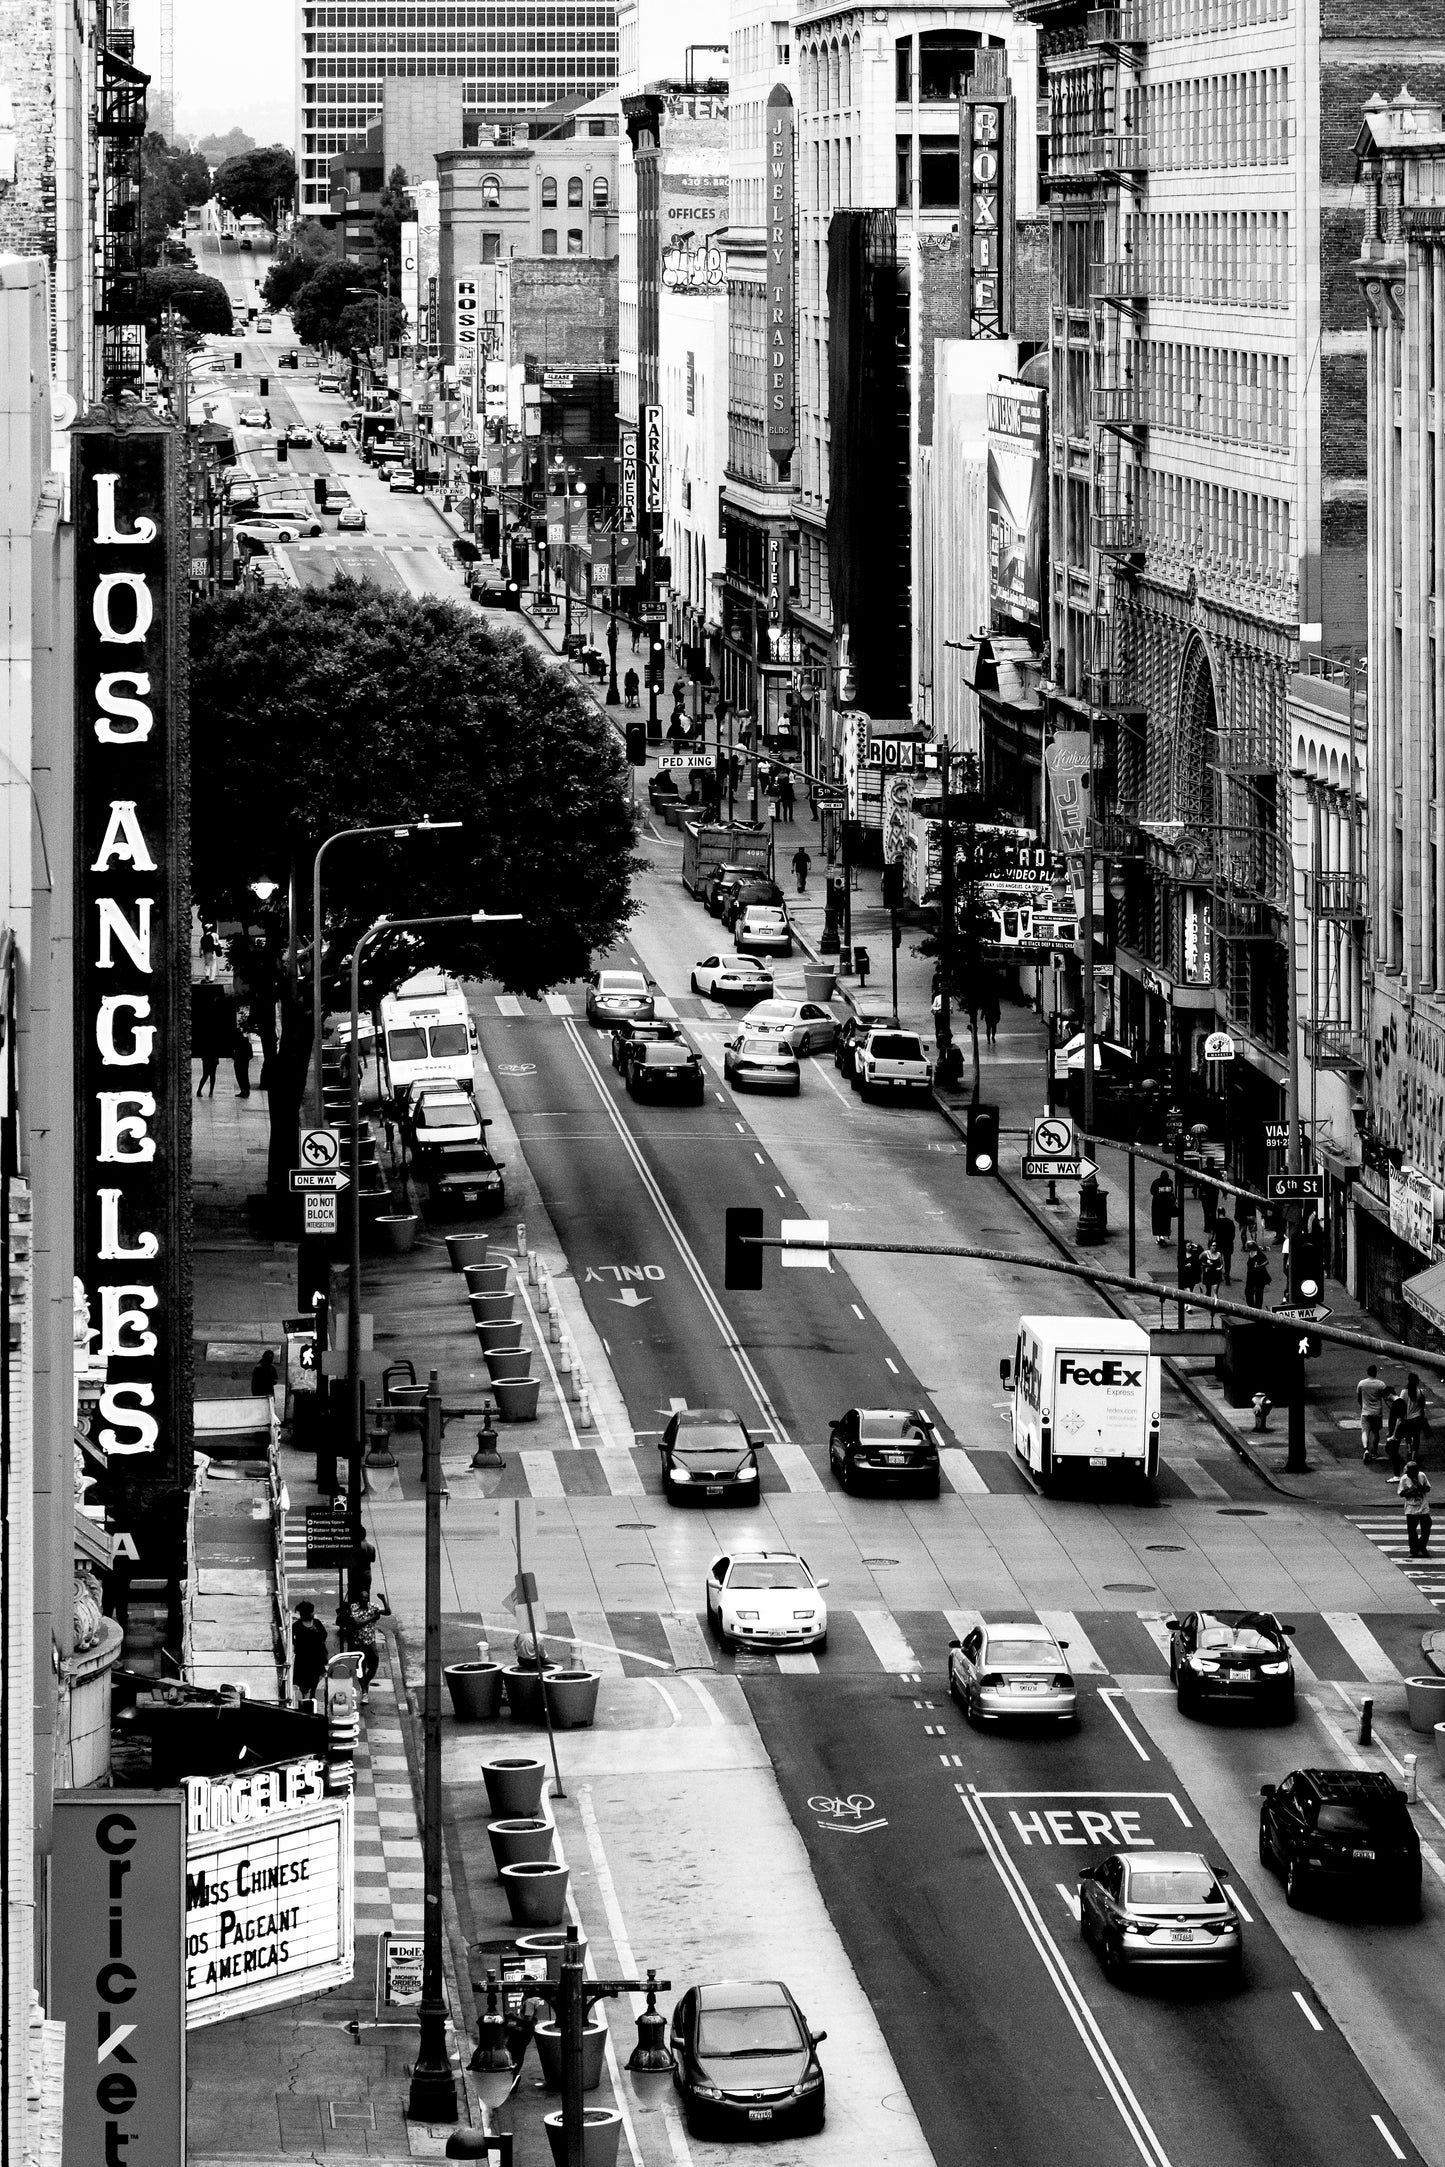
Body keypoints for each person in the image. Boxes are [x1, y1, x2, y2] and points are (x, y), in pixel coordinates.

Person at [343, 1586, 391, 1701]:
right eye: (362, 1598)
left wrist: (384, 1600)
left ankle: (366, 1682)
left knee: (374, 1662)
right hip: (358, 1643)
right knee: (361, 1666)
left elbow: (388, 1612)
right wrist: (373, 1617)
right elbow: (358, 1623)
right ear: (359, 1599)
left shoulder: (372, 1607)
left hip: (370, 1641)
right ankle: (364, 1691)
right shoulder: (354, 1607)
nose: (364, 1600)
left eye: (366, 1598)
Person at [292, 1600, 329, 1704]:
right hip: (303, 1658)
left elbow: (324, 1635)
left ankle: (312, 1694)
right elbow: (292, 1641)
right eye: (312, 1612)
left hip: (317, 1657)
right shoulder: (296, 1626)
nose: (314, 1613)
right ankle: (305, 1696)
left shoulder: (317, 1623)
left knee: (315, 1678)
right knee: (303, 1680)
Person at [1357, 1362, 1391, 1465]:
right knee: (1376, 1433)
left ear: (1368, 1372)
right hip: (1377, 1412)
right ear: (1376, 1373)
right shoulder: (1381, 1384)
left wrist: (1361, 1406)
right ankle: (1374, 1452)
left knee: (1365, 1432)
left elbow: (1358, 1397)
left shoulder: (1361, 1384)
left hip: (1365, 1412)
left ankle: (1366, 1449)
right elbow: (1386, 1397)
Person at [1400, 1457, 1433, 1556]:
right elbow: (1401, 1493)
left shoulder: (1422, 1476)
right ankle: (1413, 1549)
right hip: (1411, 1507)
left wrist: (1419, 1487)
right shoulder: (1404, 1479)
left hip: (1423, 1506)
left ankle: (1422, 1546)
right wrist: (1411, 1490)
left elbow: (1427, 1487)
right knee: (1412, 1530)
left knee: (1426, 1527)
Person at [1398, 1372, 1430, 1468]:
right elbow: (1422, 1406)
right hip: (1418, 1417)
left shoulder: (1404, 1392)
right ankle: (1414, 1454)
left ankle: (1408, 1449)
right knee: (1416, 1437)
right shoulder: (1420, 1392)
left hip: (1408, 1418)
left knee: (1408, 1435)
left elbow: (1400, 1403)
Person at [1149, 1169, 1176, 1247]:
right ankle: (1164, 1235)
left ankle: (1158, 1236)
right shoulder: (1169, 1182)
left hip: (1157, 1205)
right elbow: (1171, 1192)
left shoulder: (1156, 1182)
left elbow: (1152, 1191)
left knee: (1157, 1221)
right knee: (1165, 1221)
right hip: (1167, 1205)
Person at [1243, 1242, 1270, 1310]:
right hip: (1250, 1276)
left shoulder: (1259, 1254)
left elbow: (1266, 1261)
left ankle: (1258, 1309)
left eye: (1248, 1247)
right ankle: (1252, 1307)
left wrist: (1259, 1266)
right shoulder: (1250, 1253)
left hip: (1259, 1277)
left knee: (1259, 1294)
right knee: (1248, 1292)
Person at [233, 1011, 253, 1098]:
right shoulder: (243, 1042)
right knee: (243, 1076)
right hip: (242, 1061)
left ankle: (245, 1091)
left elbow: (249, 1054)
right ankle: (244, 1091)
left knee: (242, 1076)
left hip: (241, 1061)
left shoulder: (242, 1043)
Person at [1214, 1209, 1236, 1285]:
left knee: (1219, 1260)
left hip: (1219, 1244)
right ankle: (1227, 1274)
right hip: (1228, 1244)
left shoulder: (1216, 1222)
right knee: (1227, 1260)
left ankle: (1219, 1275)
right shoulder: (1230, 1222)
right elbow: (1233, 1235)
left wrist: (1211, 1243)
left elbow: (1212, 1234)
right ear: (1224, 1213)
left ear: (1218, 1213)